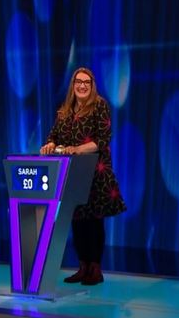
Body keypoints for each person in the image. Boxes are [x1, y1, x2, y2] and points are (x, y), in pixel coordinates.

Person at [40, 67, 126, 285]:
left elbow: (103, 139)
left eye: (86, 82)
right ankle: (83, 267)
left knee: (93, 222)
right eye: (78, 81)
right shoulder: (66, 109)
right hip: (72, 174)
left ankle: (95, 269)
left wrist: (78, 149)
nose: (82, 86)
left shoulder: (99, 106)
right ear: (73, 84)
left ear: (92, 84)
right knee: (77, 221)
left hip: (95, 173)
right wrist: (50, 144)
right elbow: (55, 134)